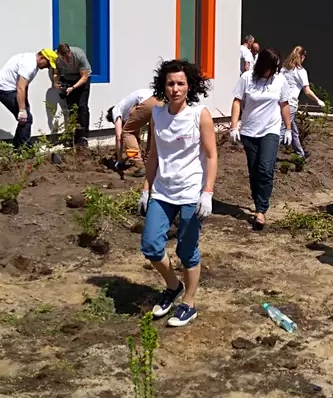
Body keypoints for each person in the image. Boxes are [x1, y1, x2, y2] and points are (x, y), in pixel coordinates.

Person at [138, 59, 218, 328]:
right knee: (151, 245)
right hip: (163, 191)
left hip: (191, 192)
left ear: (189, 86)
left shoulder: (200, 115)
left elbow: (211, 155)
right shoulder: (157, 114)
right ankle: (173, 286)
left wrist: (207, 192)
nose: (175, 89)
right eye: (170, 83)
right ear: (163, 86)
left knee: (187, 250)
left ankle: (189, 304)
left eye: (180, 83)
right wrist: (146, 188)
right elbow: (153, 155)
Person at [229, 48, 295, 230]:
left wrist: (288, 128)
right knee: (254, 171)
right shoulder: (247, 78)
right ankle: (258, 201)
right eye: (270, 68)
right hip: (249, 131)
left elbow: (284, 104)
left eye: (276, 68)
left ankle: (261, 210)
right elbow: (237, 101)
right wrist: (234, 126)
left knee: (266, 169)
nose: (273, 72)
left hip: (270, 130)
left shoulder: (280, 81)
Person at [0, 49, 58, 149]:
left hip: (11, 88)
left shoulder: (32, 60)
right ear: (42, 58)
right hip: (5, 90)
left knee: (24, 118)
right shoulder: (29, 66)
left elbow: (25, 85)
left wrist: (25, 103)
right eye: (48, 64)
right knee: (26, 118)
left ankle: (17, 147)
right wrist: (22, 110)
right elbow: (21, 87)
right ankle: (24, 149)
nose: (48, 67)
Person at [281, 46, 325, 157]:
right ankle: (268, 158)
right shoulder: (301, 71)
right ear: (302, 57)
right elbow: (307, 91)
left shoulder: (284, 69)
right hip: (290, 105)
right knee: (282, 131)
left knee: (293, 130)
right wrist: (318, 100)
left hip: (280, 102)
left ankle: (300, 153)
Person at [107, 88, 161, 177]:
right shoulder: (128, 109)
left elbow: (119, 136)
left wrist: (120, 160)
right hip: (160, 99)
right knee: (152, 131)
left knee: (126, 131)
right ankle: (149, 163)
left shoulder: (115, 110)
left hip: (148, 101)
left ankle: (138, 166)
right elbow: (135, 135)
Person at [51, 43, 92, 146]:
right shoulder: (55, 58)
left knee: (82, 106)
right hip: (68, 78)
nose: (66, 59)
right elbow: (56, 72)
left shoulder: (79, 55)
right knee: (71, 108)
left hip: (81, 78)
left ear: (70, 52)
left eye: (68, 57)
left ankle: (83, 137)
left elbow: (84, 76)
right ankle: (74, 136)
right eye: (64, 58)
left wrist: (73, 88)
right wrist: (55, 82)